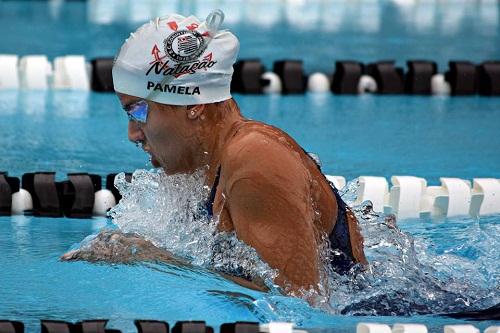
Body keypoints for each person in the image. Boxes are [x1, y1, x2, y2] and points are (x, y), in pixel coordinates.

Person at [63, 10, 367, 295]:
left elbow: (298, 301)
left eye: (138, 111)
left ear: (193, 104)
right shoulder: (206, 167)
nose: (132, 134)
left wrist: (157, 260)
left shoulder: (255, 159)